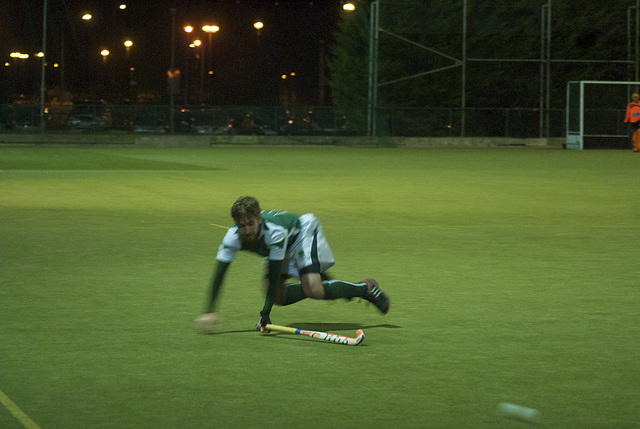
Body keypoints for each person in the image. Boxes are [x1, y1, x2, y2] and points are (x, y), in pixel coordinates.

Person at [195, 196, 390, 333]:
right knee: (278, 297)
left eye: (250, 224)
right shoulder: (231, 239)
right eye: (241, 225)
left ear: (259, 219)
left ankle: (365, 288)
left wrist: (265, 314)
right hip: (278, 248)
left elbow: (274, 270)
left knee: (314, 290)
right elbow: (219, 275)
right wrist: (209, 310)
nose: (246, 230)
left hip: (301, 234)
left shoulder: (274, 232)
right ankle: (322, 280)